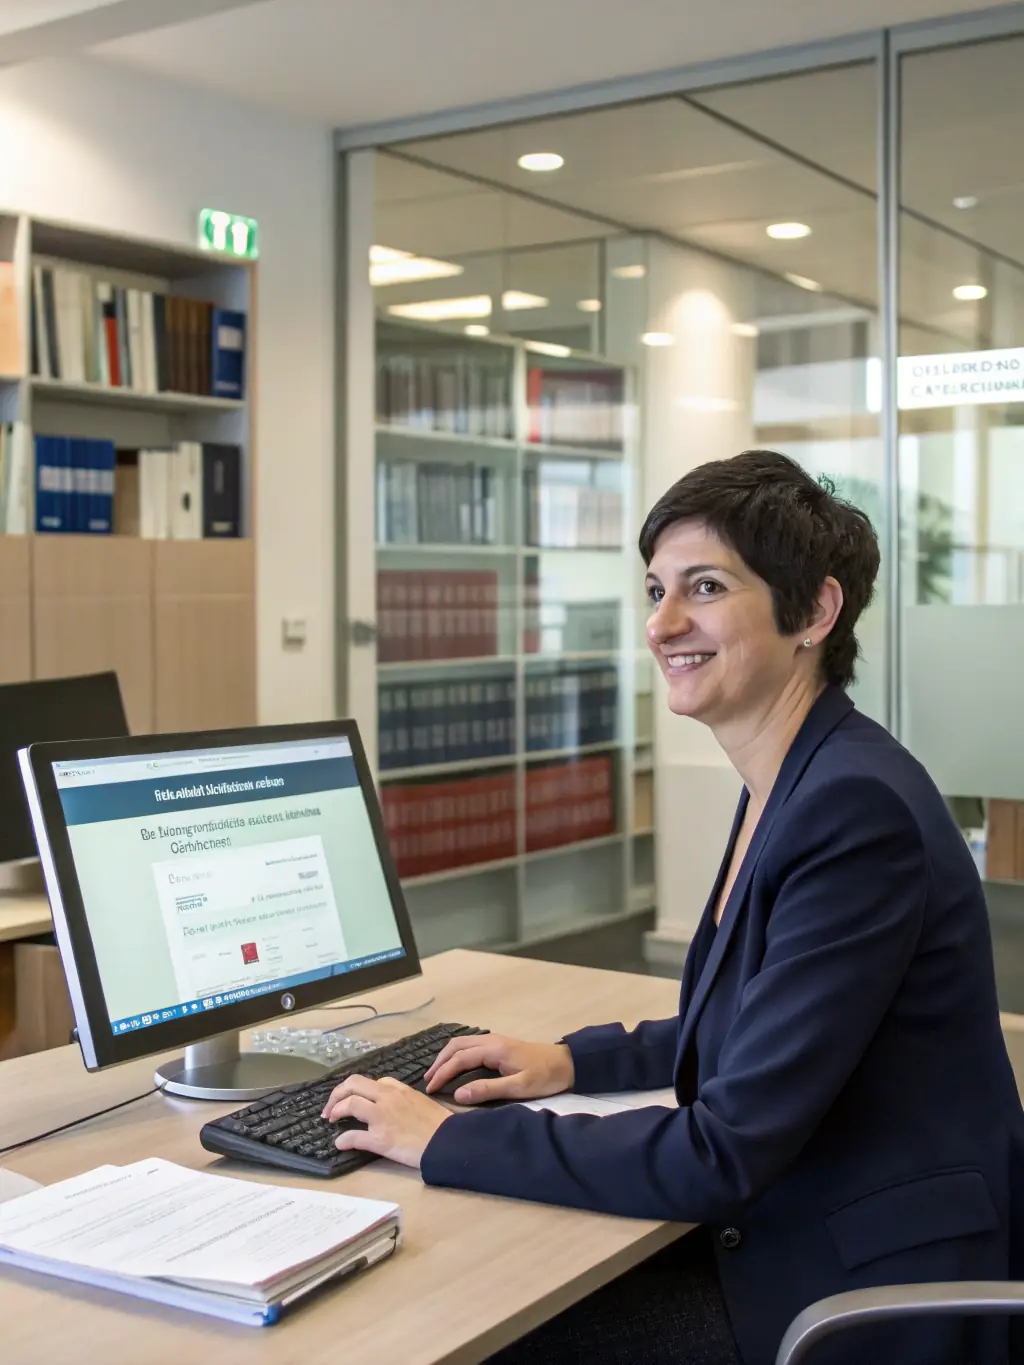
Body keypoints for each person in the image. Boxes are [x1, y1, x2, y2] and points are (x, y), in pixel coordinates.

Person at [324, 450, 1024, 1365]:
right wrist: (573, 1060)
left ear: (815, 611)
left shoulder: (852, 809)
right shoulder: (801, 775)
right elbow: (759, 1021)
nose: (662, 624)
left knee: (473, 1328)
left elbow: (722, 1150)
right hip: (815, 1222)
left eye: (706, 587)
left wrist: (454, 1138)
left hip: (856, 1284)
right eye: (656, 590)